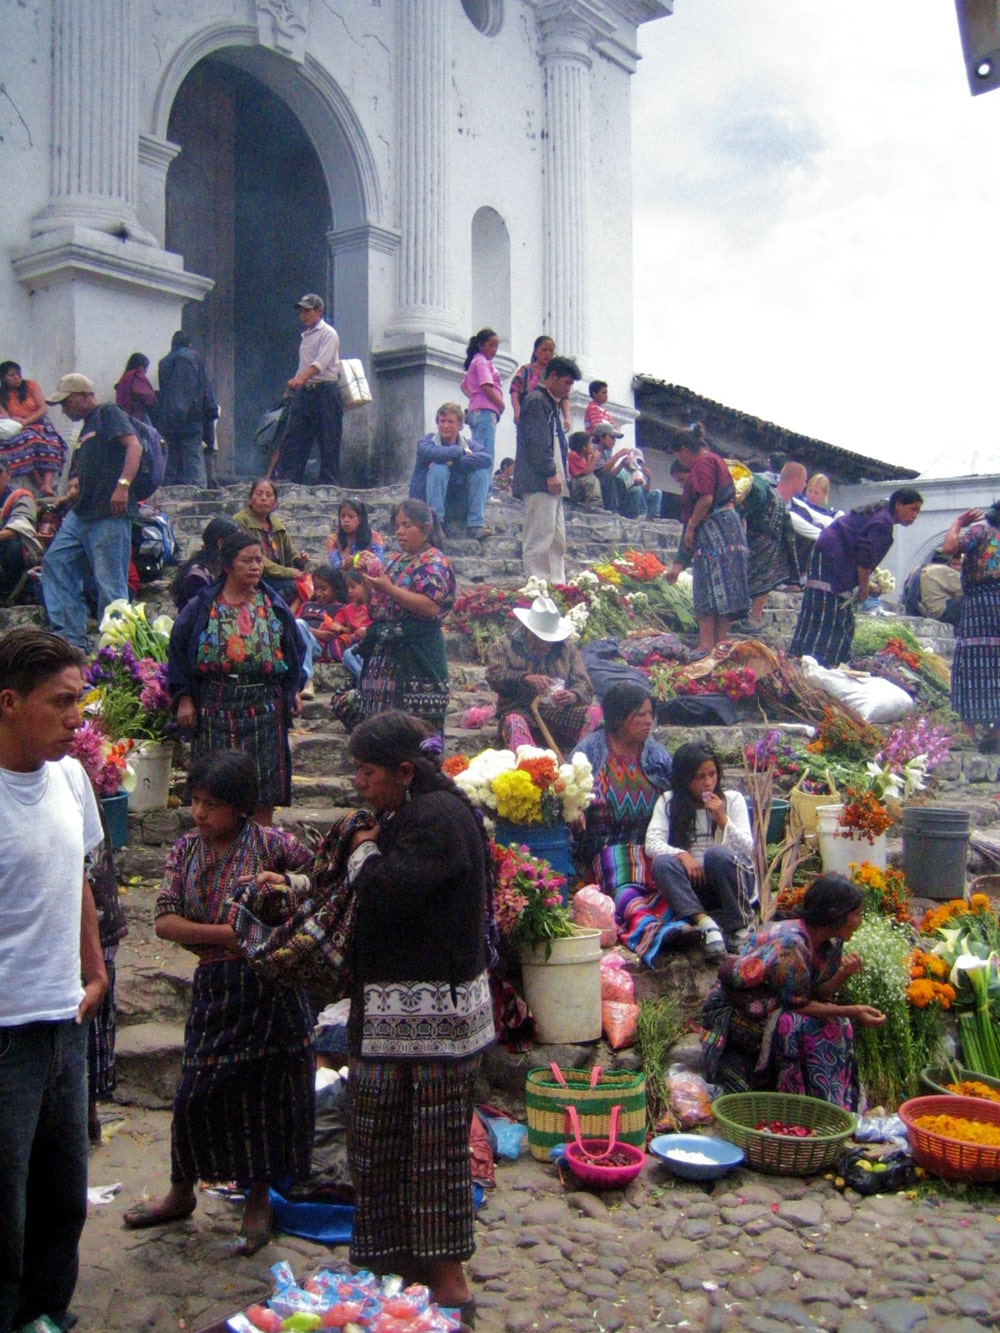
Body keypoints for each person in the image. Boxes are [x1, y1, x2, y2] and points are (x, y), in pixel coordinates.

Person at [123, 751, 314, 1255]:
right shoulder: (185, 850)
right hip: (215, 985)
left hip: (271, 989)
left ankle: (258, 1199)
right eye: (196, 801)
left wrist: (285, 894)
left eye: (212, 804)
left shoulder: (273, 845)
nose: (200, 813)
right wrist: (230, 935)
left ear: (241, 806)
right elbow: (165, 921)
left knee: (266, 1095)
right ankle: (181, 1189)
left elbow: (322, 882)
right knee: (195, 1092)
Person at [344, 712, 494, 1319]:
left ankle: (446, 1283)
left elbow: (386, 891)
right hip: (407, 1015)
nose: (359, 782)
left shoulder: (435, 820)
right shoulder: (421, 812)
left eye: (368, 771)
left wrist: (362, 851)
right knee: (388, 1141)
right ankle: (399, 1270)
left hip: (430, 1020)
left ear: (405, 771)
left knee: (430, 1151)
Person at [0, 628, 108, 1333]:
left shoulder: (69, 777)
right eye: (61, 702)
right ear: (9, 702)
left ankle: (46, 1315)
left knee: (62, 1195)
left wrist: (94, 969)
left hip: (65, 1020)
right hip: (6, 1032)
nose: (77, 718)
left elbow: (79, 877)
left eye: (80, 701)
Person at [701, 873, 886, 1109]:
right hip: (739, 1010)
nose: (859, 921)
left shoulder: (831, 942)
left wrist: (843, 974)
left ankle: (835, 1105)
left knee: (838, 1023)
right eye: (857, 914)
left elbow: (816, 994)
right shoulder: (791, 944)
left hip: (781, 1004)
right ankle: (796, 1100)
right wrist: (853, 1010)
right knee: (797, 1025)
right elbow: (798, 1005)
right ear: (835, 915)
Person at [167, 529, 304, 824]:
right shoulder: (202, 606)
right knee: (214, 784)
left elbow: (295, 647)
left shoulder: (273, 604)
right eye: (247, 560)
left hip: (265, 706)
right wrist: (184, 698)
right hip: (216, 705)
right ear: (228, 565)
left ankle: (259, 847)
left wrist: (292, 690)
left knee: (263, 788)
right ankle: (217, 846)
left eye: (259, 560)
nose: (255, 566)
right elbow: (177, 649)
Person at [40, 373, 142, 649]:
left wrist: (123, 486)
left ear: (84, 396)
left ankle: (116, 647)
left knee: (110, 582)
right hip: (82, 512)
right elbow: (84, 473)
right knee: (56, 562)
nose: (64, 409)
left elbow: (134, 446)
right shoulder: (85, 430)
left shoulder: (108, 412)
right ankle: (71, 638)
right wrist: (68, 496)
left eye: (67, 402)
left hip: (109, 513)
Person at [789, 488, 924, 667]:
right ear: (898, 505)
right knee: (826, 612)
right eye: (912, 509)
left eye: (917, 512)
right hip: (831, 558)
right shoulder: (882, 522)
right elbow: (864, 556)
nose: (914, 516)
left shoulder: (881, 517)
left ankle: (817, 660)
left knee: (839, 618)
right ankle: (816, 662)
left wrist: (866, 583)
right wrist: (864, 587)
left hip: (832, 557)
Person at [645, 741, 756, 959]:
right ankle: (704, 922)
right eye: (699, 777)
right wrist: (681, 854)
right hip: (694, 886)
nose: (708, 783)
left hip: (732, 881)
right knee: (662, 863)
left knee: (716, 854)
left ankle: (740, 926)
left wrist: (723, 820)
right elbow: (651, 842)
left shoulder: (733, 800)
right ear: (685, 779)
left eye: (712, 774)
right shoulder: (668, 802)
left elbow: (747, 849)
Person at [357, 499, 455, 734]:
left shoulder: (434, 562)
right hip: (385, 659)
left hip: (417, 657)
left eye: (407, 525)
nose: (400, 531)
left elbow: (431, 606)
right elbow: (377, 606)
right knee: (381, 731)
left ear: (426, 528)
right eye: (398, 526)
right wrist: (365, 579)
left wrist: (389, 589)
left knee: (416, 732)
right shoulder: (396, 561)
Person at [571, 682, 673, 888]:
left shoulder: (656, 755)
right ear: (619, 718)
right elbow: (567, 795)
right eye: (640, 714)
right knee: (628, 888)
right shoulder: (589, 751)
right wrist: (575, 808)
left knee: (664, 884)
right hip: (603, 853)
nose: (649, 721)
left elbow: (677, 794)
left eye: (650, 714)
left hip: (648, 848)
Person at [664, 422, 750, 653]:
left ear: (684, 450)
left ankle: (706, 644)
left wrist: (692, 526)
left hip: (715, 529)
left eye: (678, 456)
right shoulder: (715, 460)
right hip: (727, 528)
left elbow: (705, 499)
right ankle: (720, 643)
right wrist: (679, 564)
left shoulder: (703, 463)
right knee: (722, 589)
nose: (681, 461)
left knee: (707, 585)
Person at [485, 594, 597, 752]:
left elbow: (584, 684)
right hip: (521, 711)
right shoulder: (504, 645)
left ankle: (585, 761)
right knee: (514, 723)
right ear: (527, 631)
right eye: (538, 640)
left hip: (558, 713)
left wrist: (573, 695)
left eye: (549, 641)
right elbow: (494, 676)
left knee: (595, 715)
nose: (544, 645)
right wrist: (525, 678)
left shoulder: (566, 648)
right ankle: (529, 763)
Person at [513, 355, 581, 584]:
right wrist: (550, 473)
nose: (568, 389)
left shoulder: (550, 403)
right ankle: (538, 586)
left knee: (556, 539)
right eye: (566, 383)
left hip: (553, 482)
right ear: (552, 376)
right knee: (539, 538)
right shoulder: (536, 400)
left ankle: (557, 585)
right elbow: (537, 442)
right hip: (539, 481)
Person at [943, 503, 1000, 752]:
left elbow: (949, 548)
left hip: (980, 605)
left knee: (971, 661)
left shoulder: (981, 532)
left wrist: (958, 522)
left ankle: (967, 730)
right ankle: (996, 733)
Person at [278, 293, 343, 484]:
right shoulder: (306, 336)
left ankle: (328, 483)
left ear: (319, 311)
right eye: (302, 312)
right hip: (306, 392)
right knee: (296, 436)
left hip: (326, 391)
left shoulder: (328, 334)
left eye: (308, 311)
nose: (304, 315)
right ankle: (291, 479)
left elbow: (319, 364)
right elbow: (304, 364)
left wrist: (300, 379)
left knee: (328, 438)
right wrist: (294, 387)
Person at [409, 402, 492, 539]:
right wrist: (460, 452)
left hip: (456, 503)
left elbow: (486, 458)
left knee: (481, 473)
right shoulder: (426, 442)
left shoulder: (469, 444)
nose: (445, 426)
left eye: (450, 421)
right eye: (442, 421)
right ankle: (436, 525)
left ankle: (476, 525)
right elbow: (430, 452)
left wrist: (453, 462)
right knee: (439, 469)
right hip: (427, 505)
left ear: (460, 425)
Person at [157, 332, 220, 488]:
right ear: (189, 344)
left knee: (170, 461)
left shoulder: (163, 363)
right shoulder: (193, 357)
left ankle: (167, 494)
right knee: (194, 460)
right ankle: (199, 494)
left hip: (169, 420)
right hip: (192, 419)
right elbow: (205, 388)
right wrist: (211, 412)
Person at [233, 477, 310, 604]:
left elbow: (290, 553)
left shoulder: (277, 525)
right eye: (259, 494)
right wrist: (289, 572)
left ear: (275, 503)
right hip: (252, 576)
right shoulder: (240, 522)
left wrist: (299, 560)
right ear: (250, 499)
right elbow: (257, 559)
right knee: (292, 587)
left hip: (277, 577)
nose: (263, 498)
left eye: (269, 495)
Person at [0, 361, 69, 497]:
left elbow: (43, 408)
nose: (17, 378)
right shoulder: (1, 396)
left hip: (38, 421)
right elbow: (6, 417)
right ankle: (39, 482)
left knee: (51, 442)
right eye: (12, 375)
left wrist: (27, 421)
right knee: (27, 442)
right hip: (18, 426)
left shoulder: (30, 386)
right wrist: (17, 422)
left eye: (18, 374)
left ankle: (47, 484)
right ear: (3, 378)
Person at [460, 329, 505, 538]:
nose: (494, 350)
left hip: (478, 410)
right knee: (486, 453)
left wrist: (473, 397)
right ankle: (485, 492)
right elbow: (486, 386)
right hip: (486, 411)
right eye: (491, 345)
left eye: (496, 346)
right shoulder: (482, 362)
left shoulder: (476, 362)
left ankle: (485, 490)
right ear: (481, 345)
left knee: (482, 449)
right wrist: (500, 403)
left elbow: (464, 385)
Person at [742, 471, 800, 629]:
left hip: (767, 531)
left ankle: (754, 617)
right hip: (758, 529)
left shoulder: (764, 492)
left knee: (766, 569)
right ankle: (745, 617)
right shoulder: (755, 489)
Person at [170, 515, 240, 611]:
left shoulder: (221, 569)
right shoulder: (196, 577)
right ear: (221, 543)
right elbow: (201, 613)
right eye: (236, 542)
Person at [0, 460, 42, 601]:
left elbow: (18, 529)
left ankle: (5, 596)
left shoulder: (20, 496)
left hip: (9, 547)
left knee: (14, 547)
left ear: (8, 475)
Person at [509, 336, 571, 432]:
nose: (547, 354)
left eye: (551, 351)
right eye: (544, 350)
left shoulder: (555, 375)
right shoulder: (526, 370)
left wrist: (567, 418)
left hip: (550, 417)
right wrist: (517, 411)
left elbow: (564, 397)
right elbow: (514, 390)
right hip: (528, 416)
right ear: (535, 352)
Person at [902, 548, 964, 627]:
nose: (957, 567)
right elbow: (966, 585)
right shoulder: (941, 570)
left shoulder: (918, 569)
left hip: (924, 612)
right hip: (941, 612)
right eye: (954, 564)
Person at [326, 496, 385, 572]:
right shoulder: (333, 539)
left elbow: (380, 564)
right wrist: (344, 564)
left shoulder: (374, 537)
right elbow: (334, 565)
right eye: (342, 516)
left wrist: (368, 559)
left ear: (360, 519)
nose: (346, 520)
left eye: (351, 516)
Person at [591, 422, 632, 513]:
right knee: (606, 478)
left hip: (602, 478)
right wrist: (618, 455)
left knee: (619, 482)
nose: (614, 441)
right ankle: (611, 508)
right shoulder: (593, 449)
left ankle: (622, 511)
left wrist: (622, 464)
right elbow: (602, 471)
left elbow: (611, 474)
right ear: (601, 438)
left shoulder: (606, 452)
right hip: (592, 480)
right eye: (612, 438)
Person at [114, 353, 158, 424]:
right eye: (146, 369)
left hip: (124, 419)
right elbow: (149, 398)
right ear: (141, 367)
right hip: (137, 418)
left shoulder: (123, 379)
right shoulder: (136, 376)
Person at [567, 431, 603, 509]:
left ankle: (592, 505)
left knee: (593, 479)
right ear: (584, 447)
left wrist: (589, 458)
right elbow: (587, 474)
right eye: (590, 444)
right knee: (591, 479)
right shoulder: (573, 455)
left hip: (580, 484)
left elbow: (589, 472)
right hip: (574, 485)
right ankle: (594, 505)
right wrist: (595, 459)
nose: (592, 447)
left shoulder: (582, 458)